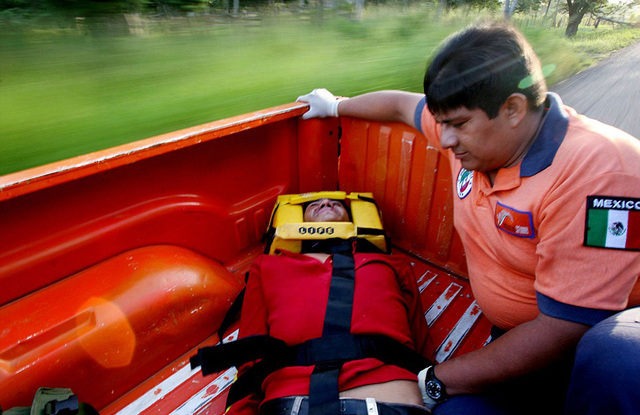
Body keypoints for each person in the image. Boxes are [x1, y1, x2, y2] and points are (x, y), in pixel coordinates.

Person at [296, 22, 640, 415]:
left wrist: (430, 382)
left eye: (457, 124)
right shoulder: (482, 139)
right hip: (516, 340)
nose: (443, 139)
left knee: (617, 360)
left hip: (582, 350)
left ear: (513, 108)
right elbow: (401, 106)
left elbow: (567, 326)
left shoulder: (601, 174)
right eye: (441, 123)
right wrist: (335, 104)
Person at [193, 193, 433, 415]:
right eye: (315, 204)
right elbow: (250, 351)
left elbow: (419, 340)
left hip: (388, 397)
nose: (326, 204)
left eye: (336, 203)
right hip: (291, 400)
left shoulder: (393, 263)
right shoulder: (267, 266)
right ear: (300, 218)